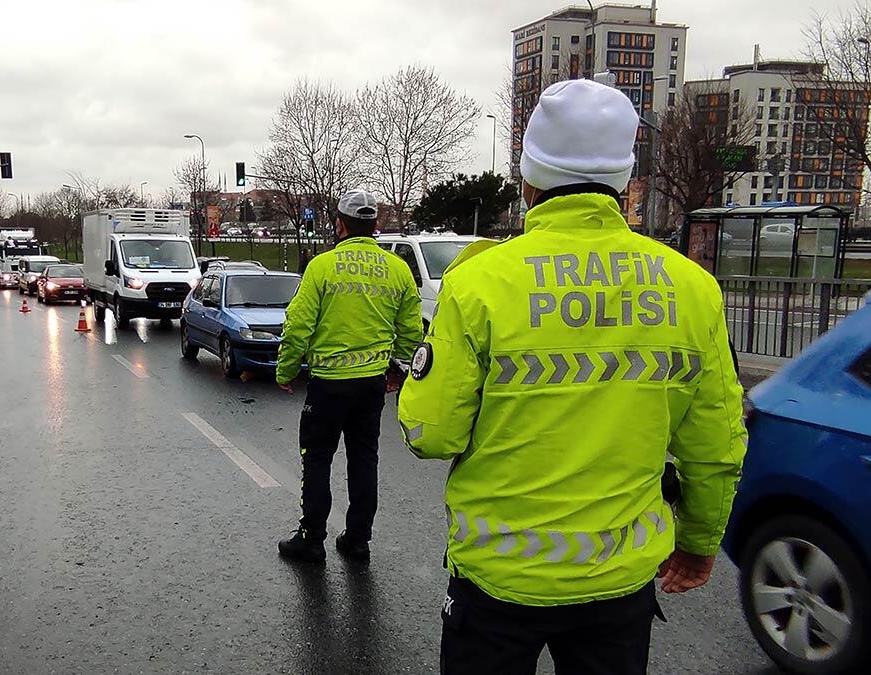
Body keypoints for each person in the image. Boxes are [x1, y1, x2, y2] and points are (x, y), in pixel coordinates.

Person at [398, 79, 747, 675]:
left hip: (497, 581)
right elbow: (715, 444)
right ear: (623, 181)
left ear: (530, 179)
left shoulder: (480, 281)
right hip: (618, 584)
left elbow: (432, 433)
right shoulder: (691, 287)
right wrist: (697, 543)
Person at [276, 189, 424, 563]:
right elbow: (410, 332)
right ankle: (357, 539)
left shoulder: (322, 267)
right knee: (363, 459)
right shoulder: (397, 269)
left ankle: (311, 538)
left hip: (328, 385)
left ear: (340, 225)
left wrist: (286, 370)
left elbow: (298, 326)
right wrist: (399, 370)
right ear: (375, 226)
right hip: (371, 386)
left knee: (317, 459)